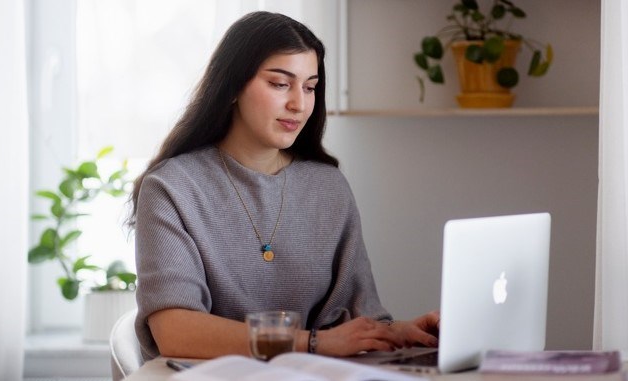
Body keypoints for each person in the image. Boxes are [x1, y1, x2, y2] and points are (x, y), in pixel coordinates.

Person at [129, 11, 439, 361]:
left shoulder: (328, 187)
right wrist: (308, 343)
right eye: (279, 84)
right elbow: (176, 332)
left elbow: (354, 314)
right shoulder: (171, 188)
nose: (299, 104)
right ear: (232, 86)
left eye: (310, 87)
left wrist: (397, 333)